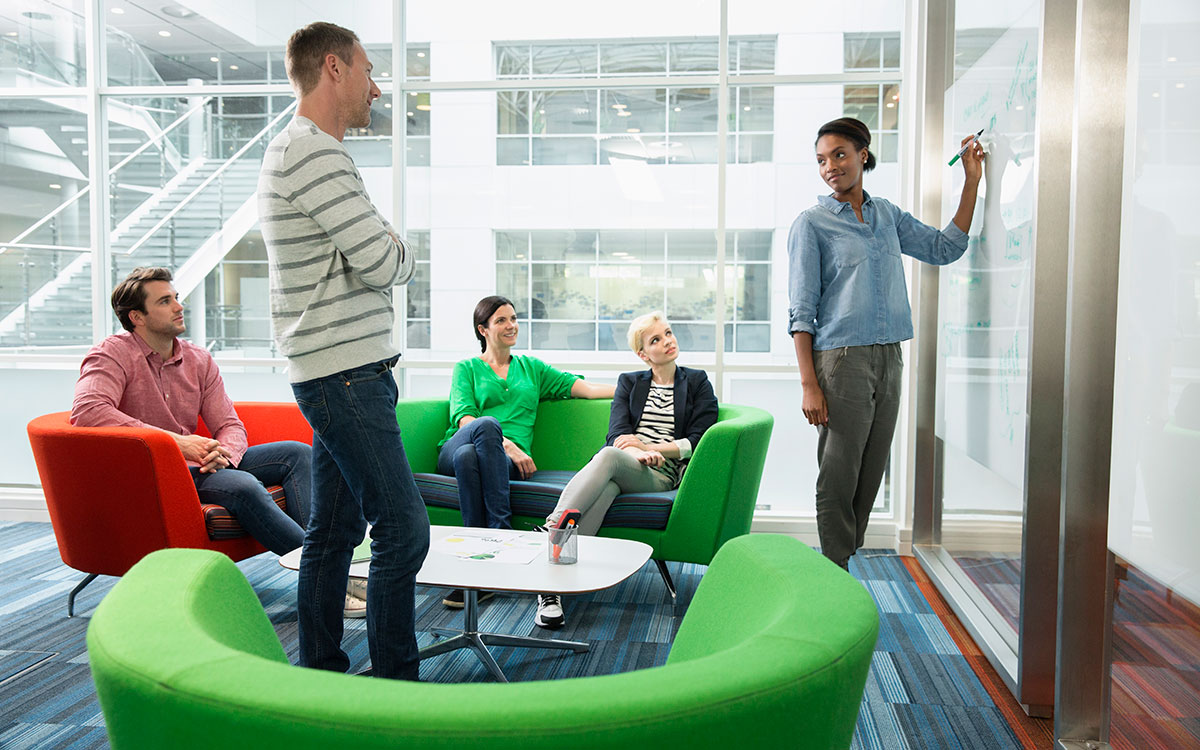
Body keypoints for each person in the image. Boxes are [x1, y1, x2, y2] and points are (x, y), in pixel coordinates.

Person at [259, 22, 430, 681]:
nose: (377, 87)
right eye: (367, 71)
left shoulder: (301, 151)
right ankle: (394, 686)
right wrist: (395, 246)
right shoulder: (315, 155)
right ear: (334, 68)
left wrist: (381, 246)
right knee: (403, 530)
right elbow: (385, 261)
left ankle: (323, 674)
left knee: (330, 537)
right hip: (346, 376)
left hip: (340, 372)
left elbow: (371, 256)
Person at [70, 268, 356, 600]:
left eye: (176, 298)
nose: (179, 306)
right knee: (245, 485)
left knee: (297, 453)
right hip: (154, 473)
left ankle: (329, 568)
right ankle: (335, 581)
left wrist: (223, 455)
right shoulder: (113, 353)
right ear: (138, 317)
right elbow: (88, 409)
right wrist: (178, 444)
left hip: (201, 464)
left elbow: (229, 424)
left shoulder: (198, 359)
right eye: (165, 301)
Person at [788, 117, 983, 570]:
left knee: (872, 470)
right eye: (821, 160)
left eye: (839, 154)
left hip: (890, 358)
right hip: (840, 362)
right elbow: (801, 312)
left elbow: (943, 248)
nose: (830, 166)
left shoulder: (888, 216)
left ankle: (844, 557)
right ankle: (834, 569)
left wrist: (971, 182)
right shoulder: (812, 224)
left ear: (863, 154)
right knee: (839, 471)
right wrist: (808, 384)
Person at [533, 311, 718, 629]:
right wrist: (633, 450)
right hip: (630, 466)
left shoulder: (697, 382)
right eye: (656, 339)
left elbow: (698, 438)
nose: (668, 341)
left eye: (669, 334)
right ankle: (552, 590)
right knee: (608, 485)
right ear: (643, 354)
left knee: (607, 458)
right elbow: (617, 433)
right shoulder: (630, 383)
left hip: (664, 473)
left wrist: (651, 449)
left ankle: (553, 528)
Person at [437, 295, 615, 607]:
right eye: (501, 321)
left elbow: (585, 389)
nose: (511, 326)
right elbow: (464, 417)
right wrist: (508, 444)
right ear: (483, 330)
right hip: (458, 447)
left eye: (514, 319)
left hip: (493, 463)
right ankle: (502, 540)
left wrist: (640, 387)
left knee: (471, 460)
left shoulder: (531, 368)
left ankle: (474, 572)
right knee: (480, 433)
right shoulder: (466, 368)